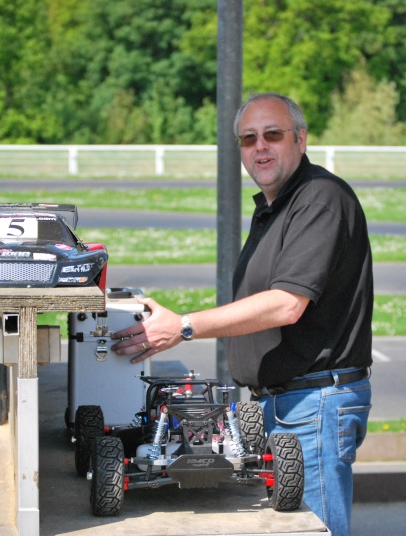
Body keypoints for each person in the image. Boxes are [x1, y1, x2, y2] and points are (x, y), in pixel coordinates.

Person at [110, 92, 373, 536]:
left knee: (314, 530)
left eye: (273, 134)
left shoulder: (320, 199)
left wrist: (185, 326)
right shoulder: (276, 205)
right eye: (248, 139)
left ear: (301, 139)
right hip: (283, 404)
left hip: (312, 405)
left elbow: (287, 303)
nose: (260, 147)